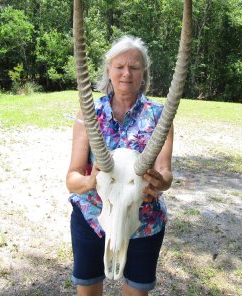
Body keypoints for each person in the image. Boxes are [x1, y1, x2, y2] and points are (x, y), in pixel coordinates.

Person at [66, 35, 173, 296]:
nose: (126, 73)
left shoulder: (159, 116)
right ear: (109, 71)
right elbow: (72, 177)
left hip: (143, 221)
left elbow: (166, 172)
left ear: (143, 73)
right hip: (92, 217)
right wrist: (92, 181)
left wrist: (160, 183)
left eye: (134, 67)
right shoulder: (89, 113)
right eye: (119, 66)